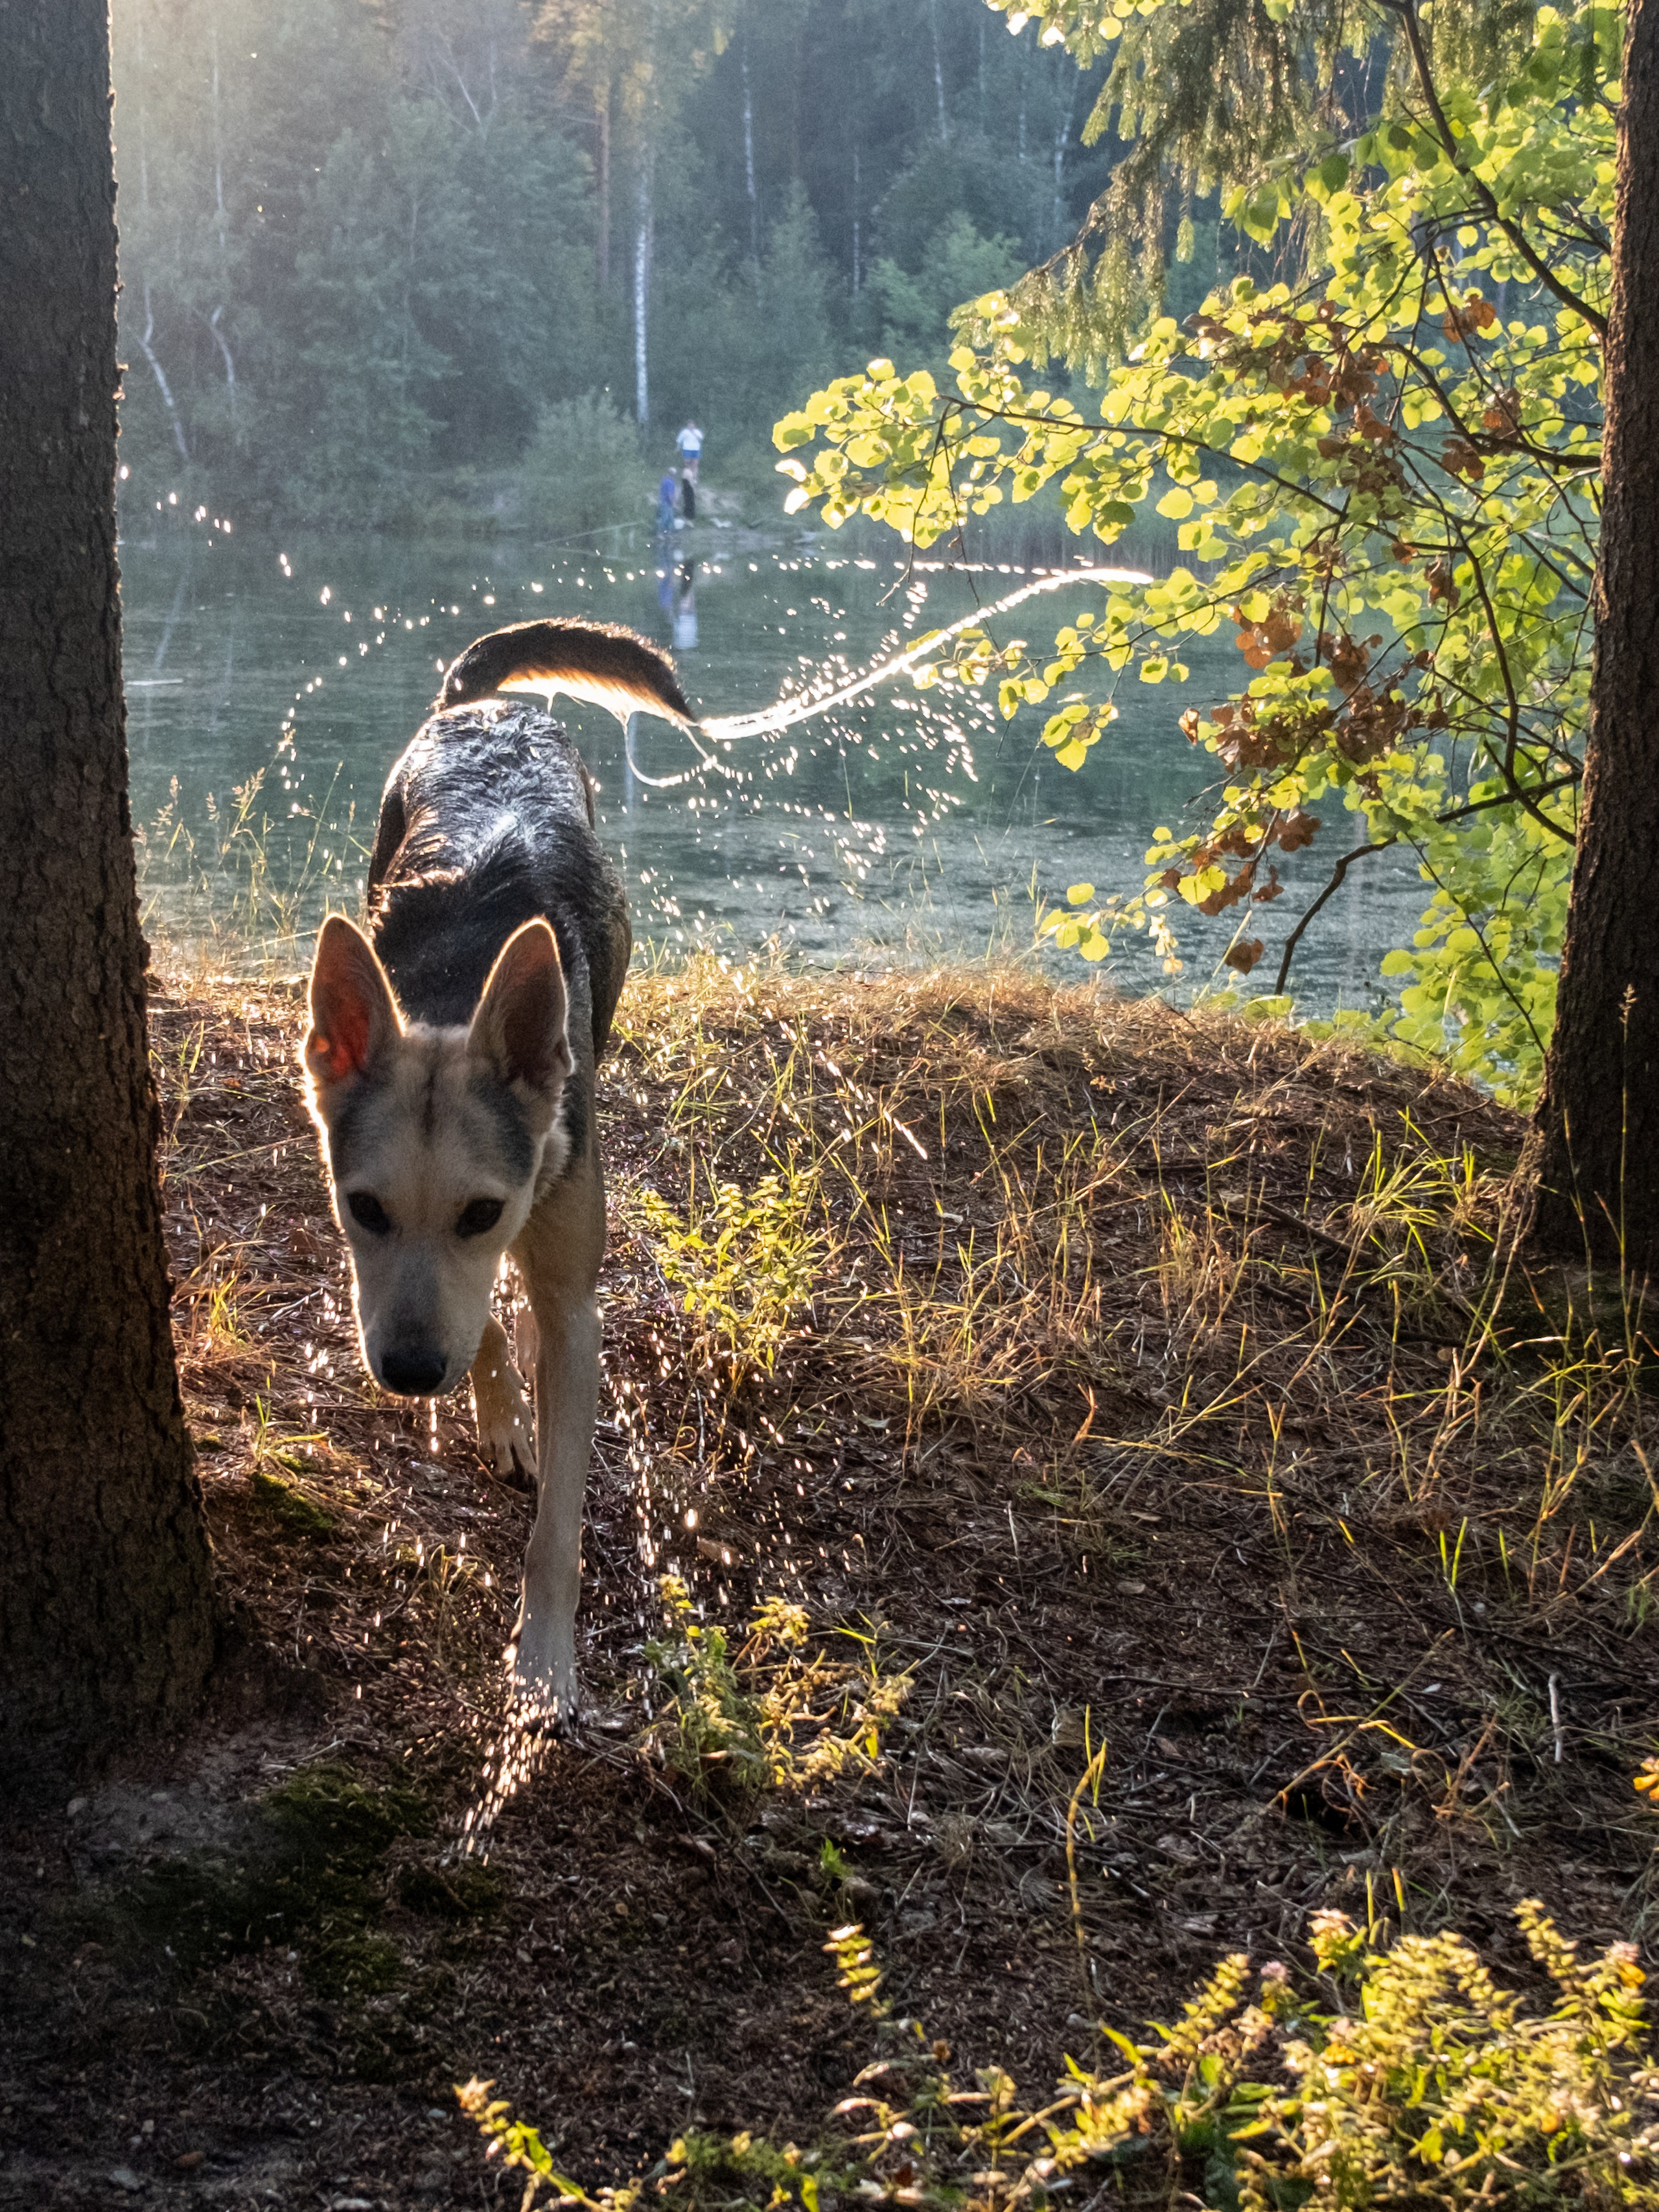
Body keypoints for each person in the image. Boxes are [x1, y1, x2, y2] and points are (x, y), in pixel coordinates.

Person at [675, 418, 704, 483]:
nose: (691, 426)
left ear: (694, 425)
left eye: (692, 425)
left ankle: (694, 478)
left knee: (695, 464)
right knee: (687, 463)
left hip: (696, 449)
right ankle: (687, 477)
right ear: (687, 425)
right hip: (687, 449)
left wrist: (694, 432)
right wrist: (678, 447)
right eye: (689, 425)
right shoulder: (684, 432)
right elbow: (679, 440)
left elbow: (701, 438)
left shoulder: (697, 431)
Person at [656, 465, 677, 535]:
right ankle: (659, 533)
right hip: (666, 503)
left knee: (670, 519)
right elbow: (670, 495)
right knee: (664, 518)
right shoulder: (670, 482)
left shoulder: (665, 480)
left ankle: (667, 533)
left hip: (664, 502)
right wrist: (674, 504)